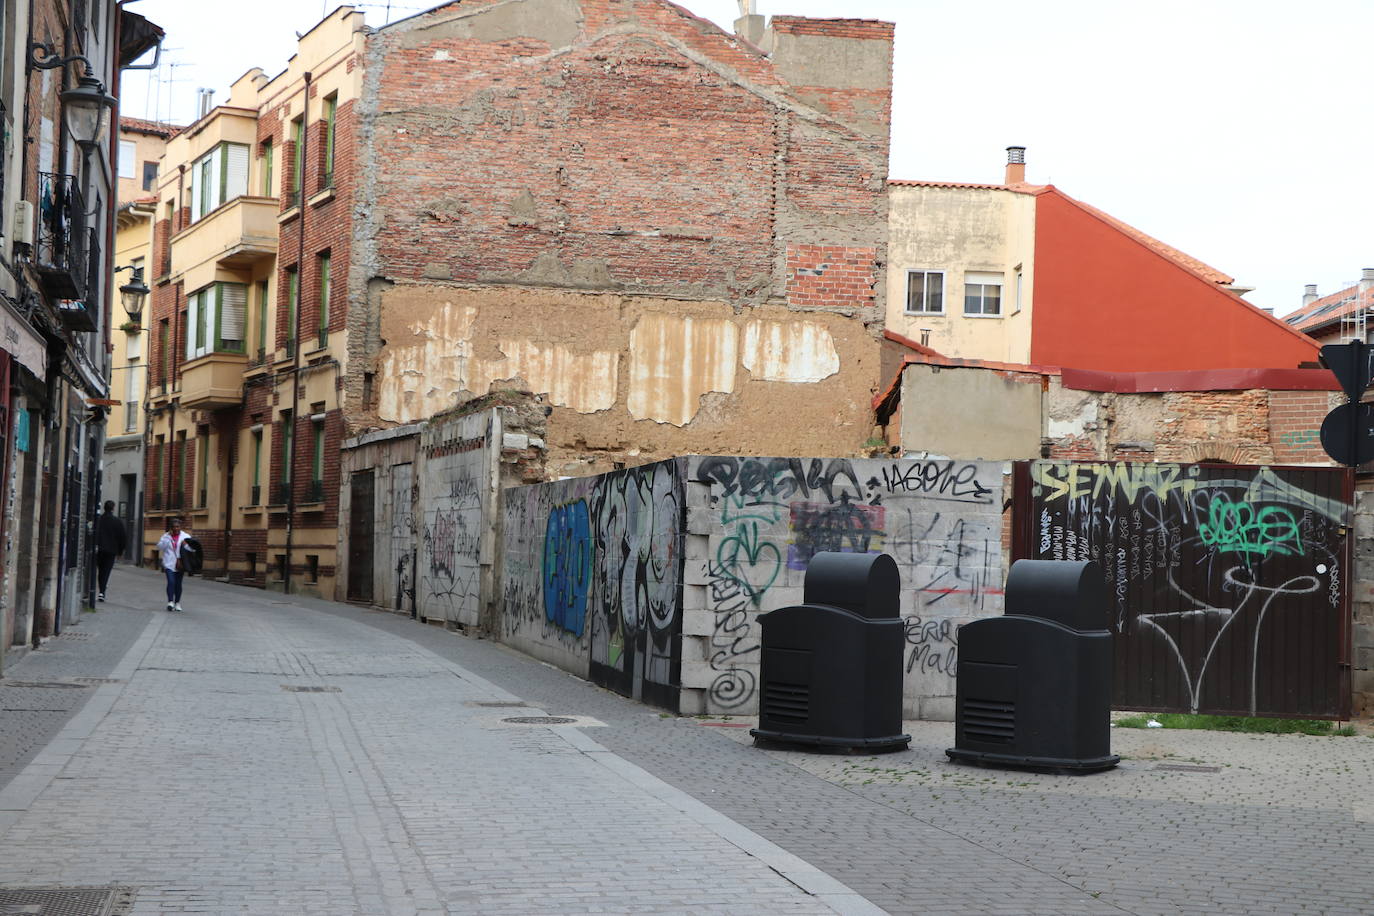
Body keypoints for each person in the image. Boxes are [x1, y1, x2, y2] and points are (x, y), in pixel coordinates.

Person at [94, 500, 126, 602]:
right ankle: (102, 591)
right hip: (111, 550)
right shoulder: (117, 521)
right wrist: (120, 551)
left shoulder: (99, 519)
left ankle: (101, 589)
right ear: (113, 508)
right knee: (106, 570)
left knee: (101, 570)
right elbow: (122, 537)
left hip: (100, 549)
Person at [156, 517, 191, 611]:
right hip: (169, 563)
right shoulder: (166, 536)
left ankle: (177, 603)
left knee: (178, 584)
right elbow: (160, 547)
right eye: (174, 527)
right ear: (171, 528)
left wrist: (185, 545)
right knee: (171, 582)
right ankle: (170, 602)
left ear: (180, 527)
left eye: (177, 526)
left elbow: (192, 550)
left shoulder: (186, 536)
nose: (176, 528)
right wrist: (168, 539)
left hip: (180, 564)